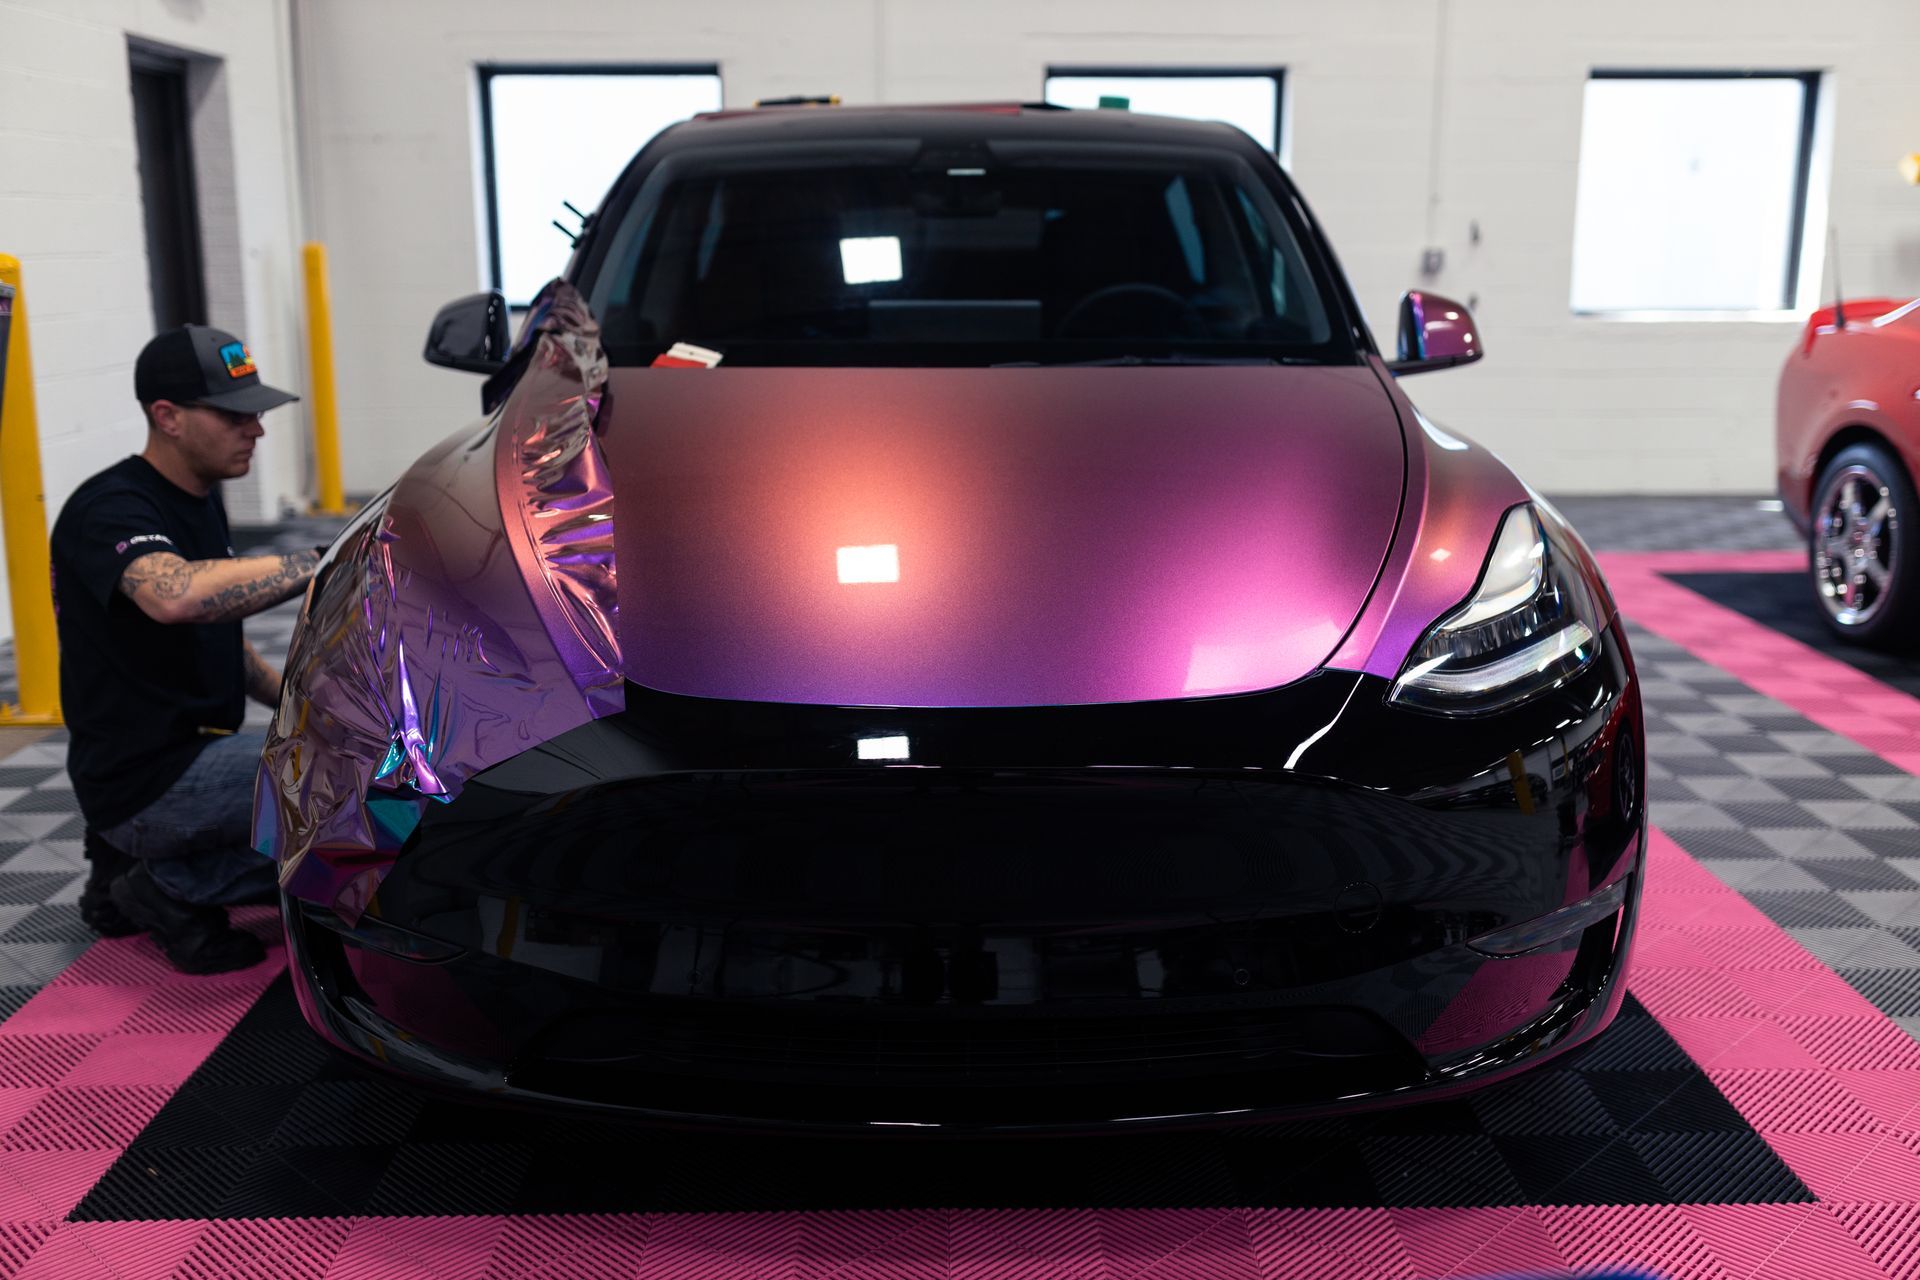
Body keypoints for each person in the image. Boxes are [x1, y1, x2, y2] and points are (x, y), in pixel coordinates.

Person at [51, 324, 322, 973]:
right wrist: (325, 560)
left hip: (186, 754)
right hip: (149, 779)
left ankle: (136, 867)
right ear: (167, 416)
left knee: (352, 754)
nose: (255, 429)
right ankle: (169, 885)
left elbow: (220, 643)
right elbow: (175, 596)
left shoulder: (197, 497)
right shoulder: (110, 508)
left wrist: (303, 700)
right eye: (234, 415)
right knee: (366, 796)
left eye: (256, 414)